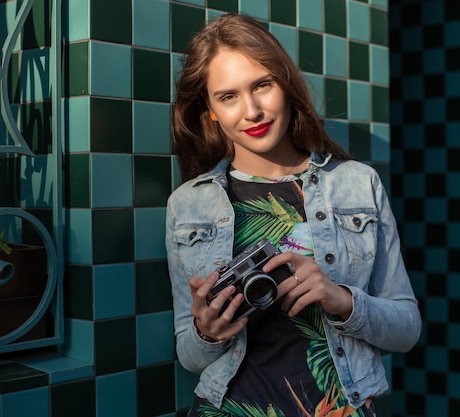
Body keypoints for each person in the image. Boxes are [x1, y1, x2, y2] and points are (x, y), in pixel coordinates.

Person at [166, 13, 422, 417]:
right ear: (211, 111)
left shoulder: (358, 183)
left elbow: (407, 327)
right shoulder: (188, 204)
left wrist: (339, 299)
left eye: (262, 85)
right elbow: (190, 355)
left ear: (285, 84)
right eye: (228, 96)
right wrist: (206, 332)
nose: (251, 111)